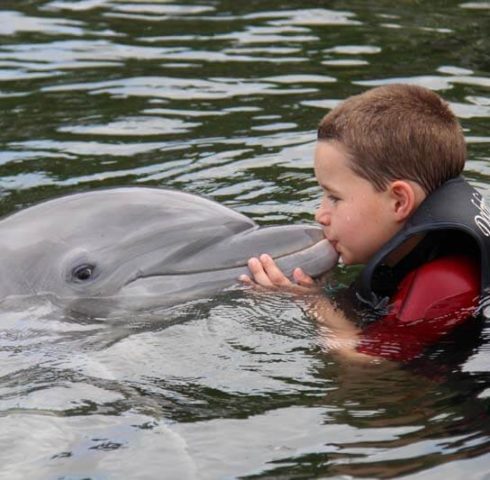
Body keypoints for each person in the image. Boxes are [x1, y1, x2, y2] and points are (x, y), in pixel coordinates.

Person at [240, 84, 490, 362]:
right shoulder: (429, 252)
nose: (320, 214)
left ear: (398, 202)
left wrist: (310, 302)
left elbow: (370, 370)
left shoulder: (443, 284)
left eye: (334, 197)